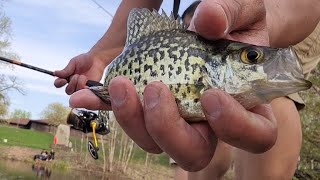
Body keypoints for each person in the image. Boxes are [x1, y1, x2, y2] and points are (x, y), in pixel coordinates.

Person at [54, 0, 320, 179]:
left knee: (273, 102)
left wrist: (264, 20)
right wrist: (100, 56)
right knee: (199, 158)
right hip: (203, 24)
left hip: (287, 12)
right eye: (251, 59)